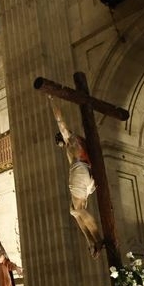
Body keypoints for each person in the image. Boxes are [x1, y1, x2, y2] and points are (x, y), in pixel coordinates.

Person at [51, 98, 105, 258]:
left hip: (79, 171)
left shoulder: (70, 139)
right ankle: (91, 242)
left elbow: (59, 120)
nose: (61, 147)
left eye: (59, 143)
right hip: (86, 174)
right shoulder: (82, 141)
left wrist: (51, 99)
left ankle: (97, 239)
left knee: (79, 209)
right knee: (74, 211)